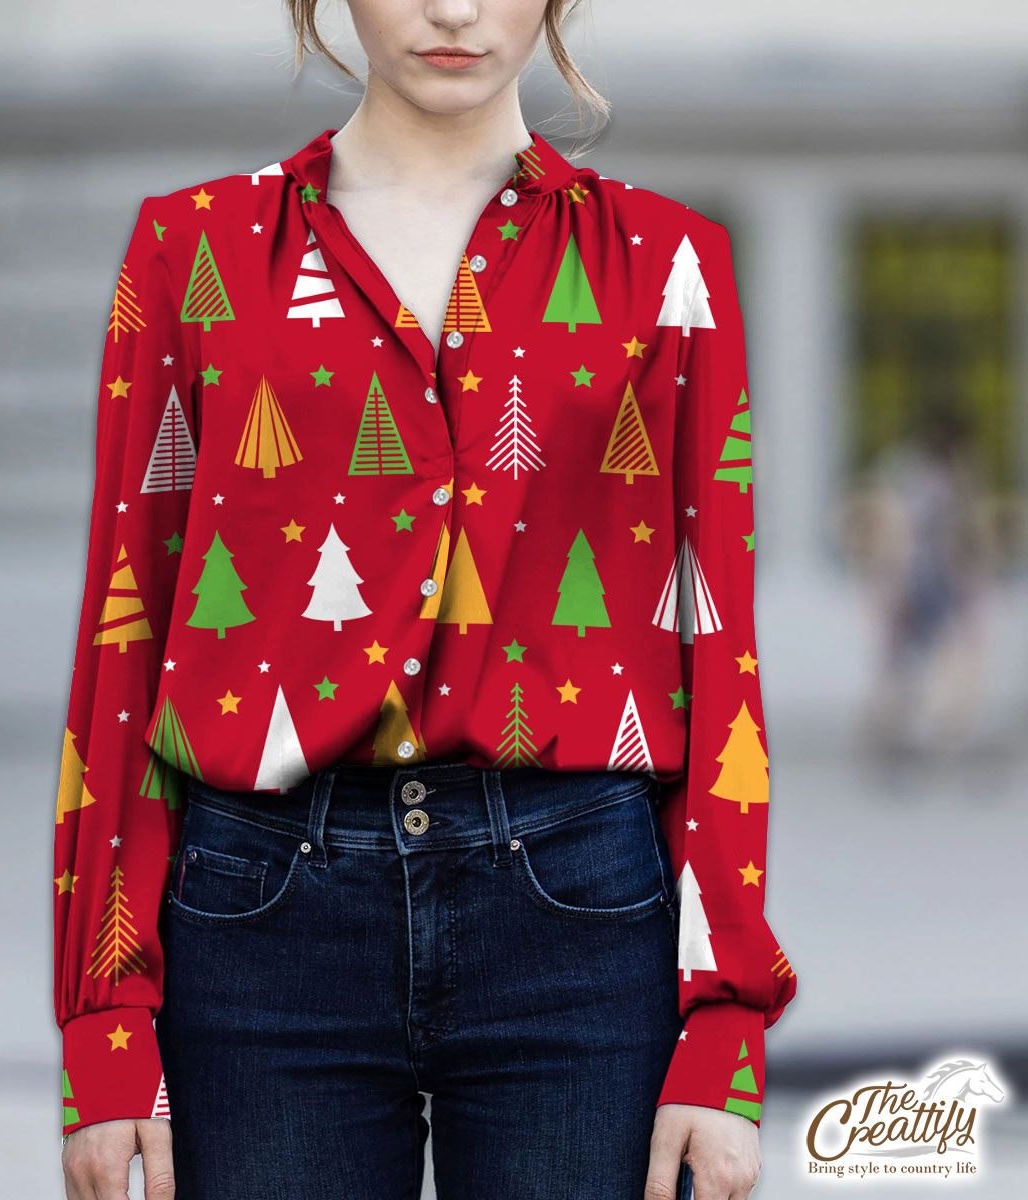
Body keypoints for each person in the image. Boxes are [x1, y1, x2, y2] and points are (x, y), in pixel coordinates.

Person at [54, 2, 798, 1197]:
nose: (453, 10)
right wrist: (107, 1027)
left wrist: (726, 1038)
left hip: (579, 908)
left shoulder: (665, 262)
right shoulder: (192, 248)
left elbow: (720, 651)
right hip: (260, 912)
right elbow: (124, 638)